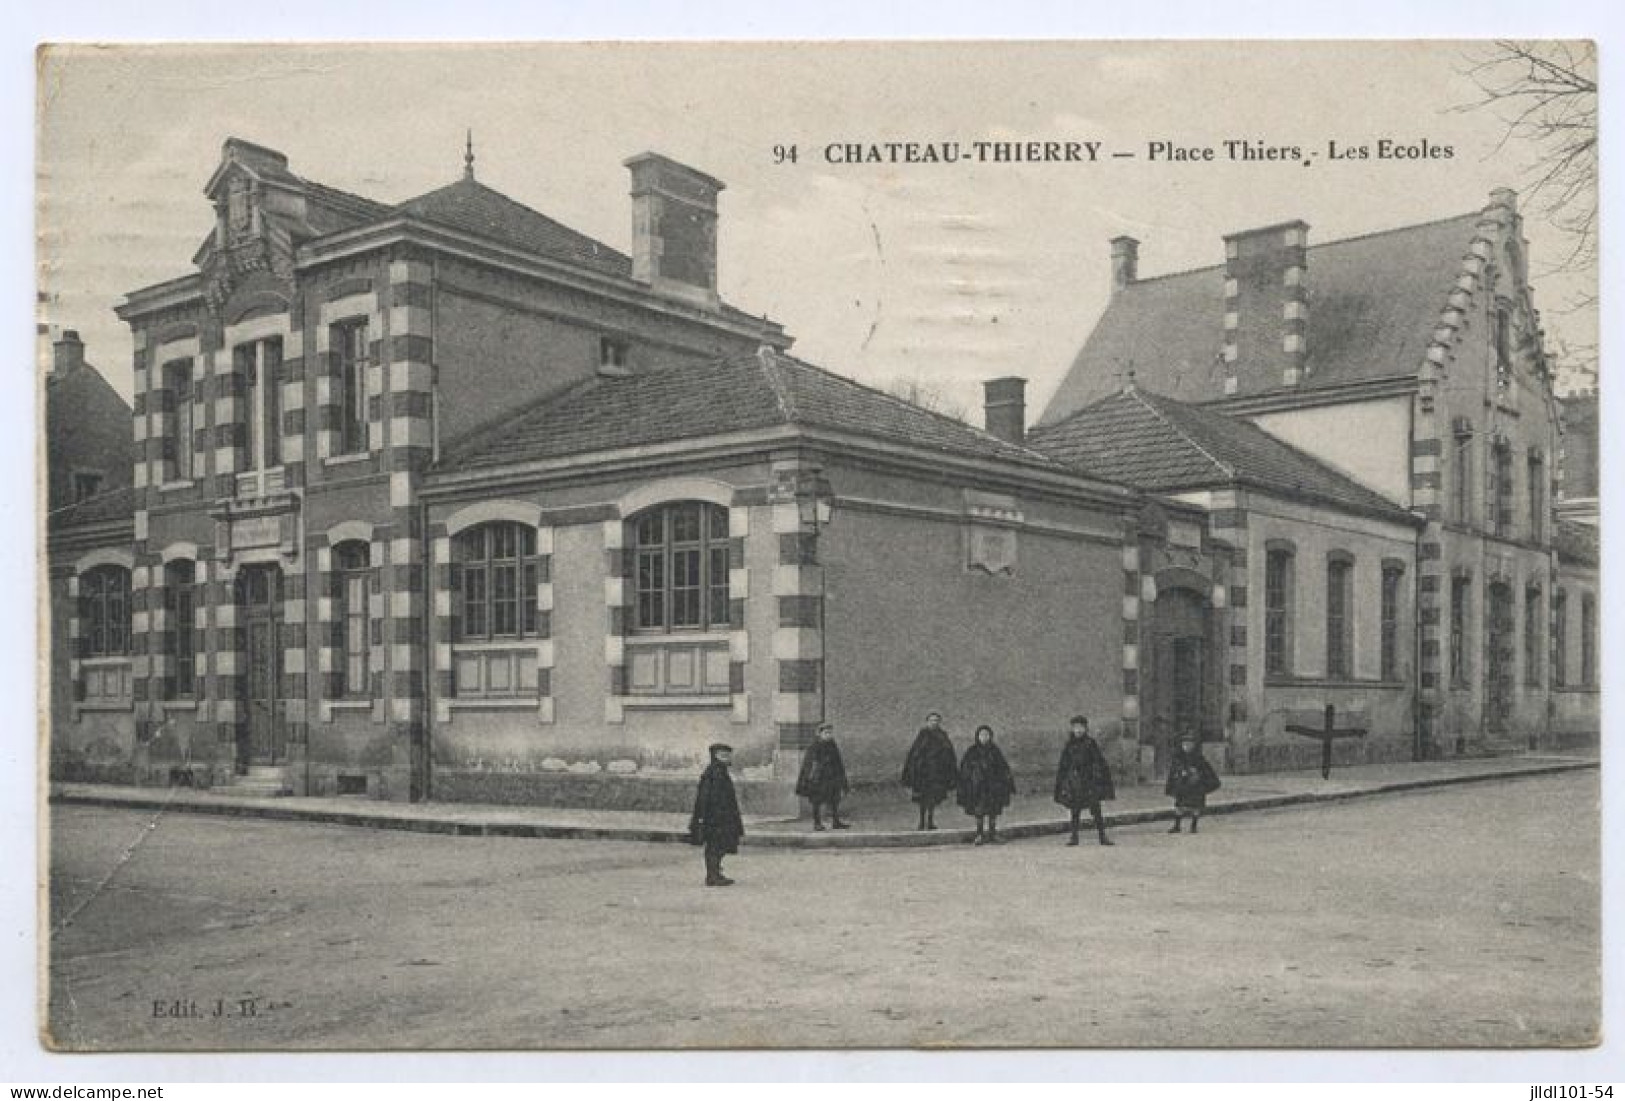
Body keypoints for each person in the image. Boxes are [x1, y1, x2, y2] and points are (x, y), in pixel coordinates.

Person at [1053, 714, 1116, 847]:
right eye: (1075, 727)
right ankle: (1074, 837)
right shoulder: (1069, 745)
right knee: (1075, 811)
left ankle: (1102, 836)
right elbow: (1063, 765)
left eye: (1081, 727)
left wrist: (1097, 776)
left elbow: (1098, 761)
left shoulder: (1090, 743)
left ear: (1086, 729)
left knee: (1096, 810)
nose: (1078, 730)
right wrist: (1063, 782)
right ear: (1072, 729)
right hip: (1075, 783)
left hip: (1089, 782)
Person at [689, 743, 745, 886]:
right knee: (715, 846)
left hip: (720, 817)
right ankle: (712, 875)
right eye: (723, 756)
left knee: (720, 845)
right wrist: (704, 818)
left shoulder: (719, 771)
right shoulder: (714, 773)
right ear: (716, 756)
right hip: (716, 818)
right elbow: (706, 798)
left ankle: (715, 873)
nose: (727, 758)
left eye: (728, 755)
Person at [957, 725, 1015, 845]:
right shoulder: (972, 751)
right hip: (978, 787)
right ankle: (979, 834)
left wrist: (1005, 780)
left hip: (993, 787)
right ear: (977, 736)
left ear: (990, 736)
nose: (984, 737)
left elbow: (1003, 767)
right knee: (979, 811)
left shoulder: (995, 750)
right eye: (982, 735)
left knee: (993, 811)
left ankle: (992, 834)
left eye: (987, 735)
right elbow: (965, 767)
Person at [901, 711, 958, 830]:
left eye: (936, 720)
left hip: (937, 774)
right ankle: (921, 822)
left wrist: (948, 771)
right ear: (927, 722)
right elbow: (914, 754)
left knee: (933, 798)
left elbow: (949, 754)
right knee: (922, 798)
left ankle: (930, 821)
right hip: (923, 774)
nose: (934, 722)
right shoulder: (922, 736)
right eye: (931, 720)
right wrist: (913, 771)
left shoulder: (943, 736)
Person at [796, 722, 852, 830]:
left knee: (835, 799)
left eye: (830, 733)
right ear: (819, 734)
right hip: (819, 778)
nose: (829, 735)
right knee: (817, 801)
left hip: (832, 777)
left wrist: (841, 779)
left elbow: (838, 762)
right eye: (826, 733)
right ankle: (817, 823)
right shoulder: (815, 746)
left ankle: (836, 822)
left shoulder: (832, 744)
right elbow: (810, 763)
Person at [1165, 730, 1221, 834]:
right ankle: (1177, 825)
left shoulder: (1198, 758)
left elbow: (1206, 770)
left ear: (1193, 745)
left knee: (1195, 806)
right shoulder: (1178, 757)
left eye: (1189, 744)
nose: (1186, 746)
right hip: (1182, 785)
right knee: (1179, 806)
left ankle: (1193, 826)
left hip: (1195, 785)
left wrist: (1197, 774)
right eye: (1184, 744)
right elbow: (1173, 770)